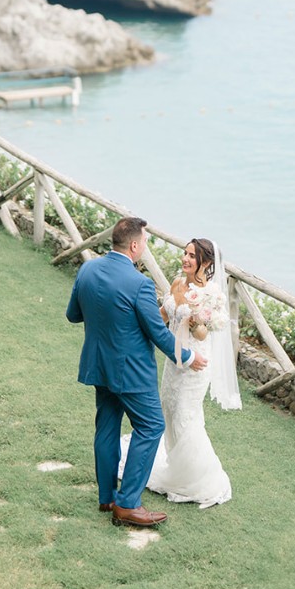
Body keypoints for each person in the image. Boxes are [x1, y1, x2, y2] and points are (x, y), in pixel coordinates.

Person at [66, 215, 208, 528]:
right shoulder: (139, 284)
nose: (144, 246)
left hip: (98, 365)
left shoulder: (87, 268)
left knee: (106, 427)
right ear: (134, 245)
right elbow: (158, 333)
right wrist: (187, 355)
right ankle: (127, 504)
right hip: (131, 373)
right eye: (144, 241)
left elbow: (73, 314)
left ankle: (107, 497)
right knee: (151, 426)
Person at [137, 238, 240, 507]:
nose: (185, 258)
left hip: (196, 364)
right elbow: (163, 315)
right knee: (168, 410)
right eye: (185, 253)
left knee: (185, 415)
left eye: (192, 256)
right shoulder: (176, 284)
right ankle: (175, 466)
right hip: (173, 363)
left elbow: (204, 333)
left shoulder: (212, 295)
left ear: (205, 263)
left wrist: (196, 320)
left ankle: (197, 479)